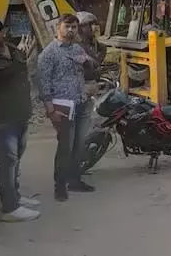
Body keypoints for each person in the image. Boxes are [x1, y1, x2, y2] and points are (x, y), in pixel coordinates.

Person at [0, 19, 40, 222]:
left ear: (3, 32)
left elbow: (23, 77)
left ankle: (16, 197)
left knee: (16, 159)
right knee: (7, 162)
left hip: (20, 114)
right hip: (1, 119)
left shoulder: (15, 51)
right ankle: (10, 208)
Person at [38, 14, 98, 201]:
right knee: (65, 146)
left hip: (81, 102)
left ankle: (75, 180)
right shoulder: (49, 53)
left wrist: (87, 62)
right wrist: (50, 110)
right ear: (58, 27)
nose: (71, 30)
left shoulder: (77, 48)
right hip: (62, 107)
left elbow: (94, 67)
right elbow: (43, 84)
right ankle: (60, 185)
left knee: (80, 144)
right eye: (67, 26)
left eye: (74, 27)